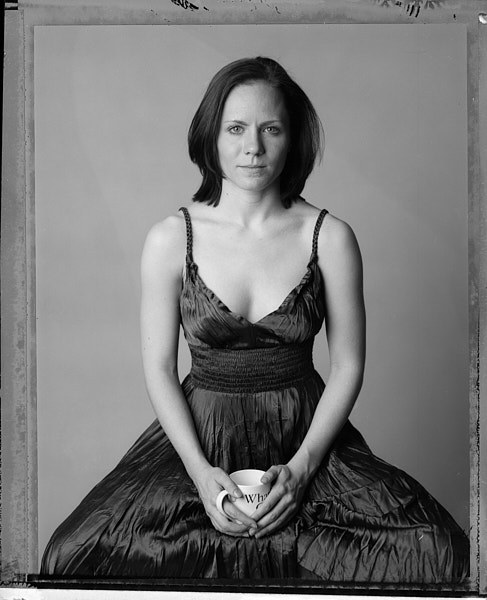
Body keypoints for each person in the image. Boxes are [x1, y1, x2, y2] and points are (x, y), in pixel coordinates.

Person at [41, 57, 469, 582]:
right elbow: (159, 369)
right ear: (211, 136)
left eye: (271, 129)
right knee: (71, 555)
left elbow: (348, 366)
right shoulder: (170, 239)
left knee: (441, 553)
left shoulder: (330, 238)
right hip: (199, 444)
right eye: (236, 129)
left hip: (307, 442)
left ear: (293, 140)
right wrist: (201, 476)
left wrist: (302, 471)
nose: (254, 147)